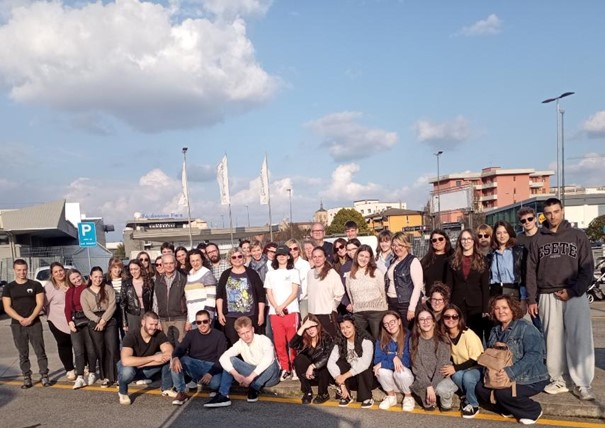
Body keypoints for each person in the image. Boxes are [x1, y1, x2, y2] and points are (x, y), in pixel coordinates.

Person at [526, 197, 595, 400]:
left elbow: (587, 267)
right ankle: (559, 379)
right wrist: (532, 299)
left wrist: (574, 290)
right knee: (553, 340)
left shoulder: (577, 235)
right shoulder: (538, 239)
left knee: (579, 338)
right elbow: (530, 271)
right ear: (543, 215)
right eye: (548, 213)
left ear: (562, 211)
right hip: (547, 294)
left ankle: (582, 383)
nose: (552, 216)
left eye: (556, 211)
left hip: (574, 293)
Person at [476, 296, 549, 424]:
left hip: (529, 376)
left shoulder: (525, 327)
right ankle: (508, 409)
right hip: (501, 374)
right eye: (497, 308)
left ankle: (533, 411)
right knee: (480, 389)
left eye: (505, 308)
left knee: (503, 394)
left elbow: (534, 354)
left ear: (512, 309)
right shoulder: (495, 330)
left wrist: (510, 372)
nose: (501, 311)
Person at [117, 311, 187, 406]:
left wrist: (145, 363)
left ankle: (166, 388)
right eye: (151, 324)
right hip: (131, 368)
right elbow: (126, 361)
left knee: (169, 359)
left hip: (144, 367)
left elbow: (169, 353)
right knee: (127, 371)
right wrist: (154, 358)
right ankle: (123, 392)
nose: (154, 327)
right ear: (143, 322)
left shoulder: (159, 334)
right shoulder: (131, 335)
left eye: (156, 324)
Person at [2, 259, 49, 388]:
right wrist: (21, 319)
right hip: (17, 325)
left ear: (27, 269)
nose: (22, 272)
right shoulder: (8, 287)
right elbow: (7, 307)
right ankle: (27, 377)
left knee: (40, 350)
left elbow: (40, 303)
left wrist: (31, 318)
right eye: (19, 270)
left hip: (34, 323)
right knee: (23, 353)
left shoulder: (35, 285)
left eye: (24, 270)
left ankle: (44, 375)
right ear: (14, 270)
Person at [216, 316, 281, 405]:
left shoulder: (263, 340)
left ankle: (254, 388)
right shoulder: (239, 344)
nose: (246, 336)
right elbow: (223, 358)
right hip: (252, 375)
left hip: (270, 378)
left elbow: (268, 359)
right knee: (230, 360)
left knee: (272, 362)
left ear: (253, 329)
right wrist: (236, 375)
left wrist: (250, 378)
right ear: (239, 334)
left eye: (248, 332)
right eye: (243, 333)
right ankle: (223, 395)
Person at [173, 310, 229, 406]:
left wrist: (210, 373)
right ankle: (181, 392)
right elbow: (180, 348)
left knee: (215, 385)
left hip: (212, 366)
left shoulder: (219, 335)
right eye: (198, 322)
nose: (202, 324)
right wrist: (175, 357)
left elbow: (222, 358)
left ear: (210, 321)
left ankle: (198, 381)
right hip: (195, 364)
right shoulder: (191, 334)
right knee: (176, 360)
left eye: (205, 321)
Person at [439, 304, 484, 419]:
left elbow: (476, 359)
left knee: (467, 376)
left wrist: (455, 368)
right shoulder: (445, 335)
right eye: (447, 316)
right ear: (443, 318)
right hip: (461, 368)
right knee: (457, 376)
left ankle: (473, 405)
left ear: (459, 318)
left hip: (477, 367)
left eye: (454, 316)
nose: (451, 319)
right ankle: (468, 396)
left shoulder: (468, 334)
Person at [264, 245, 301, 381]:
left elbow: (294, 292)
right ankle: (285, 368)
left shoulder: (294, 272)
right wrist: (276, 307)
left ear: (288, 256)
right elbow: (269, 292)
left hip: (291, 311)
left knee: (292, 341)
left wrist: (283, 306)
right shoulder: (270, 273)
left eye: (284, 254)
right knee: (279, 342)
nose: (281, 257)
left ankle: (295, 366)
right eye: (279, 255)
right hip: (275, 313)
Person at [216, 247, 266, 345]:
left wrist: (261, 314)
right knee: (234, 344)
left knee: (252, 343)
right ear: (230, 259)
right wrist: (220, 313)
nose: (237, 259)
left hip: (250, 315)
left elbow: (261, 295)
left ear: (243, 258)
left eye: (239, 256)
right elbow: (220, 295)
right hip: (230, 317)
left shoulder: (252, 274)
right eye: (233, 257)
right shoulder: (225, 274)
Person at [409, 308, 457, 411]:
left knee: (442, 389)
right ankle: (431, 398)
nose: (425, 322)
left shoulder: (442, 339)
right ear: (418, 324)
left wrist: (432, 387)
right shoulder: (413, 340)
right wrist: (428, 385)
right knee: (427, 404)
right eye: (422, 319)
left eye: (428, 318)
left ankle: (446, 402)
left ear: (434, 322)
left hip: (442, 376)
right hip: (425, 378)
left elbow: (442, 366)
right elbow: (417, 366)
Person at [446, 229, 489, 339]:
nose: (466, 241)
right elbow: (449, 285)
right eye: (463, 239)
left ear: (474, 241)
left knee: (476, 335)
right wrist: (447, 305)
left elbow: (485, 286)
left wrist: (485, 308)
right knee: (458, 334)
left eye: (469, 239)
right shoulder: (452, 260)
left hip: (476, 304)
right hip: (457, 302)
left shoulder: (482, 260)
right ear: (460, 241)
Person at [81, 266, 118, 388]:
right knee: (100, 350)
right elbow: (86, 311)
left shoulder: (108, 289)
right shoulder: (85, 293)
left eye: (100, 277)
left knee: (112, 348)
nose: (98, 279)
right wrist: (98, 321)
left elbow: (112, 305)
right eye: (95, 277)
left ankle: (115, 376)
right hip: (94, 321)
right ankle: (106, 377)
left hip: (109, 319)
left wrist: (104, 320)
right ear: (90, 277)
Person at [327, 314, 375, 408]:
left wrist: (344, 376)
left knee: (362, 364)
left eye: (348, 327)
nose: (345, 330)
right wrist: (341, 384)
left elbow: (365, 363)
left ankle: (367, 397)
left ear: (354, 326)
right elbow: (330, 363)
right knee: (339, 362)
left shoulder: (366, 340)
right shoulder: (339, 341)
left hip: (366, 379)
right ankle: (346, 395)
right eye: (342, 328)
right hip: (349, 380)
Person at [373, 311, 415, 412]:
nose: (390, 326)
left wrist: (384, 362)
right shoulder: (381, 339)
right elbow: (377, 360)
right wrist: (393, 358)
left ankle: (408, 397)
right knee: (380, 370)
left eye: (392, 322)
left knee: (400, 370)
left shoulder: (409, 337)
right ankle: (391, 396)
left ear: (399, 321)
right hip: (391, 383)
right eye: (386, 324)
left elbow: (407, 361)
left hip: (406, 381)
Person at [289, 314, 334, 404]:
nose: (310, 330)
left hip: (324, 376)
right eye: (307, 328)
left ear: (317, 326)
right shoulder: (304, 340)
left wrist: (312, 366)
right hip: (308, 376)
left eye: (312, 326)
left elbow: (328, 356)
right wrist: (302, 327)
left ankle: (323, 394)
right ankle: (308, 392)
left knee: (325, 364)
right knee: (299, 359)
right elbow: (292, 344)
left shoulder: (326, 337)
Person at [345, 244, 387, 339]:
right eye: (361, 255)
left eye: (366, 257)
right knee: (359, 339)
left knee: (378, 339)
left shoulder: (376, 272)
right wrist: (355, 307)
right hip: (358, 313)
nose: (363, 259)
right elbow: (350, 294)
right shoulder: (349, 275)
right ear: (357, 256)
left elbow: (382, 292)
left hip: (377, 312)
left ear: (370, 259)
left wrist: (383, 306)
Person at [65, 269, 97, 389]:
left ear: (81, 276)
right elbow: (67, 308)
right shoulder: (70, 291)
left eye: (78, 277)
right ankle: (80, 376)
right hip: (76, 320)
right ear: (70, 280)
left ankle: (92, 372)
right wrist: (69, 322)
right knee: (78, 350)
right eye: (73, 279)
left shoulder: (88, 288)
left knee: (91, 349)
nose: (76, 280)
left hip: (89, 319)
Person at [44, 262, 75, 381]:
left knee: (79, 344)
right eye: (55, 272)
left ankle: (84, 366)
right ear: (52, 274)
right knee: (64, 345)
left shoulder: (71, 282)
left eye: (61, 270)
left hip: (73, 319)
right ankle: (70, 369)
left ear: (64, 270)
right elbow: (43, 304)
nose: (59, 273)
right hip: (56, 320)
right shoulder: (49, 287)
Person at [385, 232, 423, 329]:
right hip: (392, 302)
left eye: (400, 245)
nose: (397, 248)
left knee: (408, 331)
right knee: (396, 331)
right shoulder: (393, 261)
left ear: (406, 245)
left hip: (405, 304)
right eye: (394, 245)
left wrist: (411, 308)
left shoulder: (413, 261)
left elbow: (417, 286)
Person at [306, 247, 345, 337]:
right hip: (313, 314)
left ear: (325, 258)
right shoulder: (310, 273)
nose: (317, 259)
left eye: (320, 256)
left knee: (330, 338)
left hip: (327, 314)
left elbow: (340, 292)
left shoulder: (331, 273)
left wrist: (332, 307)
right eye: (315, 257)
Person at [152, 254, 188, 346]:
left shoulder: (183, 279)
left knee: (181, 346)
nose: (169, 266)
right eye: (166, 263)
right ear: (163, 264)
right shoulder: (158, 281)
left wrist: (188, 320)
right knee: (167, 347)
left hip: (180, 319)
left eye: (171, 263)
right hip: (163, 320)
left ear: (175, 264)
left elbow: (188, 300)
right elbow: (155, 302)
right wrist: (157, 320)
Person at [185, 249, 217, 327]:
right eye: (192, 261)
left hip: (204, 318)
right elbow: (189, 300)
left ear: (202, 260)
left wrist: (208, 318)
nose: (195, 263)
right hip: (193, 317)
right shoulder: (189, 275)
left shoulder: (207, 274)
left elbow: (211, 298)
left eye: (197, 260)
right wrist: (188, 319)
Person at [121, 260, 154, 335]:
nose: (133, 272)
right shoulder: (126, 284)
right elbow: (123, 304)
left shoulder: (149, 281)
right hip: (132, 314)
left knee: (147, 335)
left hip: (146, 312)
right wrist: (124, 323)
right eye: (131, 269)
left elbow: (153, 300)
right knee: (134, 336)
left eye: (136, 269)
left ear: (141, 268)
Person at [286, 238, 311, 320]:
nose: (293, 251)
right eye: (290, 249)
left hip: (303, 299)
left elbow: (306, 284)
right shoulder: (284, 265)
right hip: (288, 301)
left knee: (304, 321)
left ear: (299, 250)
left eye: (295, 248)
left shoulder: (305, 264)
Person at [106, 256, 126, 339]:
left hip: (123, 310)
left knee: (125, 336)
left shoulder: (125, 280)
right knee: (113, 338)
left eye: (119, 267)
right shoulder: (105, 281)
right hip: (111, 311)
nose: (117, 270)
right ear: (110, 268)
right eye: (115, 267)